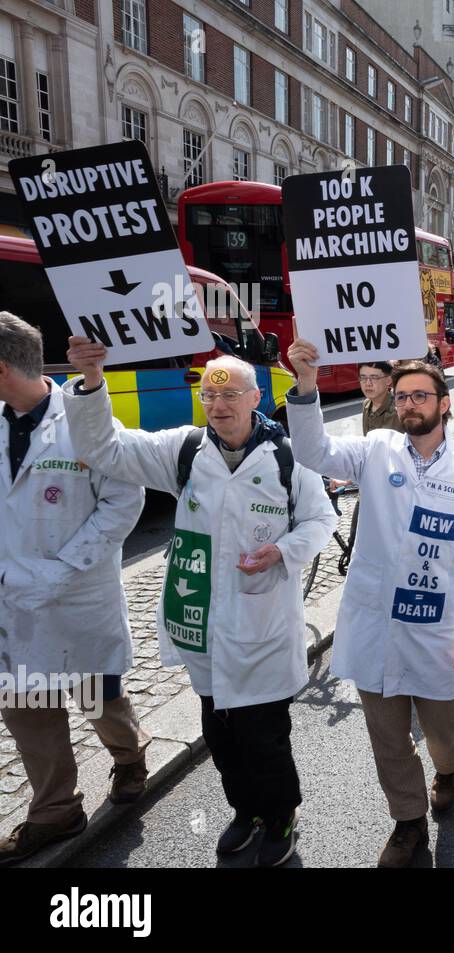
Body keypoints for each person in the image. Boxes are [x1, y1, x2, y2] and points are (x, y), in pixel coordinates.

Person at [62, 338, 335, 867]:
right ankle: (245, 810)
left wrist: (282, 549)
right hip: (202, 622)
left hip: (262, 624)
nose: (218, 405)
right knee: (219, 730)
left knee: (264, 735)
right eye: (210, 396)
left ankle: (280, 814)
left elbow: (321, 520)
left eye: (230, 393)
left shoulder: (287, 457)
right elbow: (106, 450)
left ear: (256, 397)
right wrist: (94, 380)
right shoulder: (184, 450)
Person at [285, 344, 454, 866]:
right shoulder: (375, 449)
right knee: (387, 736)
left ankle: (449, 770)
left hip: (434, 630)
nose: (409, 405)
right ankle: (408, 824)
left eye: (420, 396)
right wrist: (307, 385)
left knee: (442, 729)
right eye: (402, 396)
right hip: (372, 623)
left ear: (444, 404)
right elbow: (313, 452)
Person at [0, 313, 148, 866]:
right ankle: (55, 810)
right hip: (13, 603)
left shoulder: (84, 419)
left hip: (75, 595)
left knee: (97, 697)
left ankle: (129, 757)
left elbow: (124, 502)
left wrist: (61, 569)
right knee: (28, 707)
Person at [359, 361, 400, 435]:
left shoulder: (399, 408)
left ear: (388, 380)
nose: (368, 383)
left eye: (374, 377)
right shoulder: (366, 404)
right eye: (363, 377)